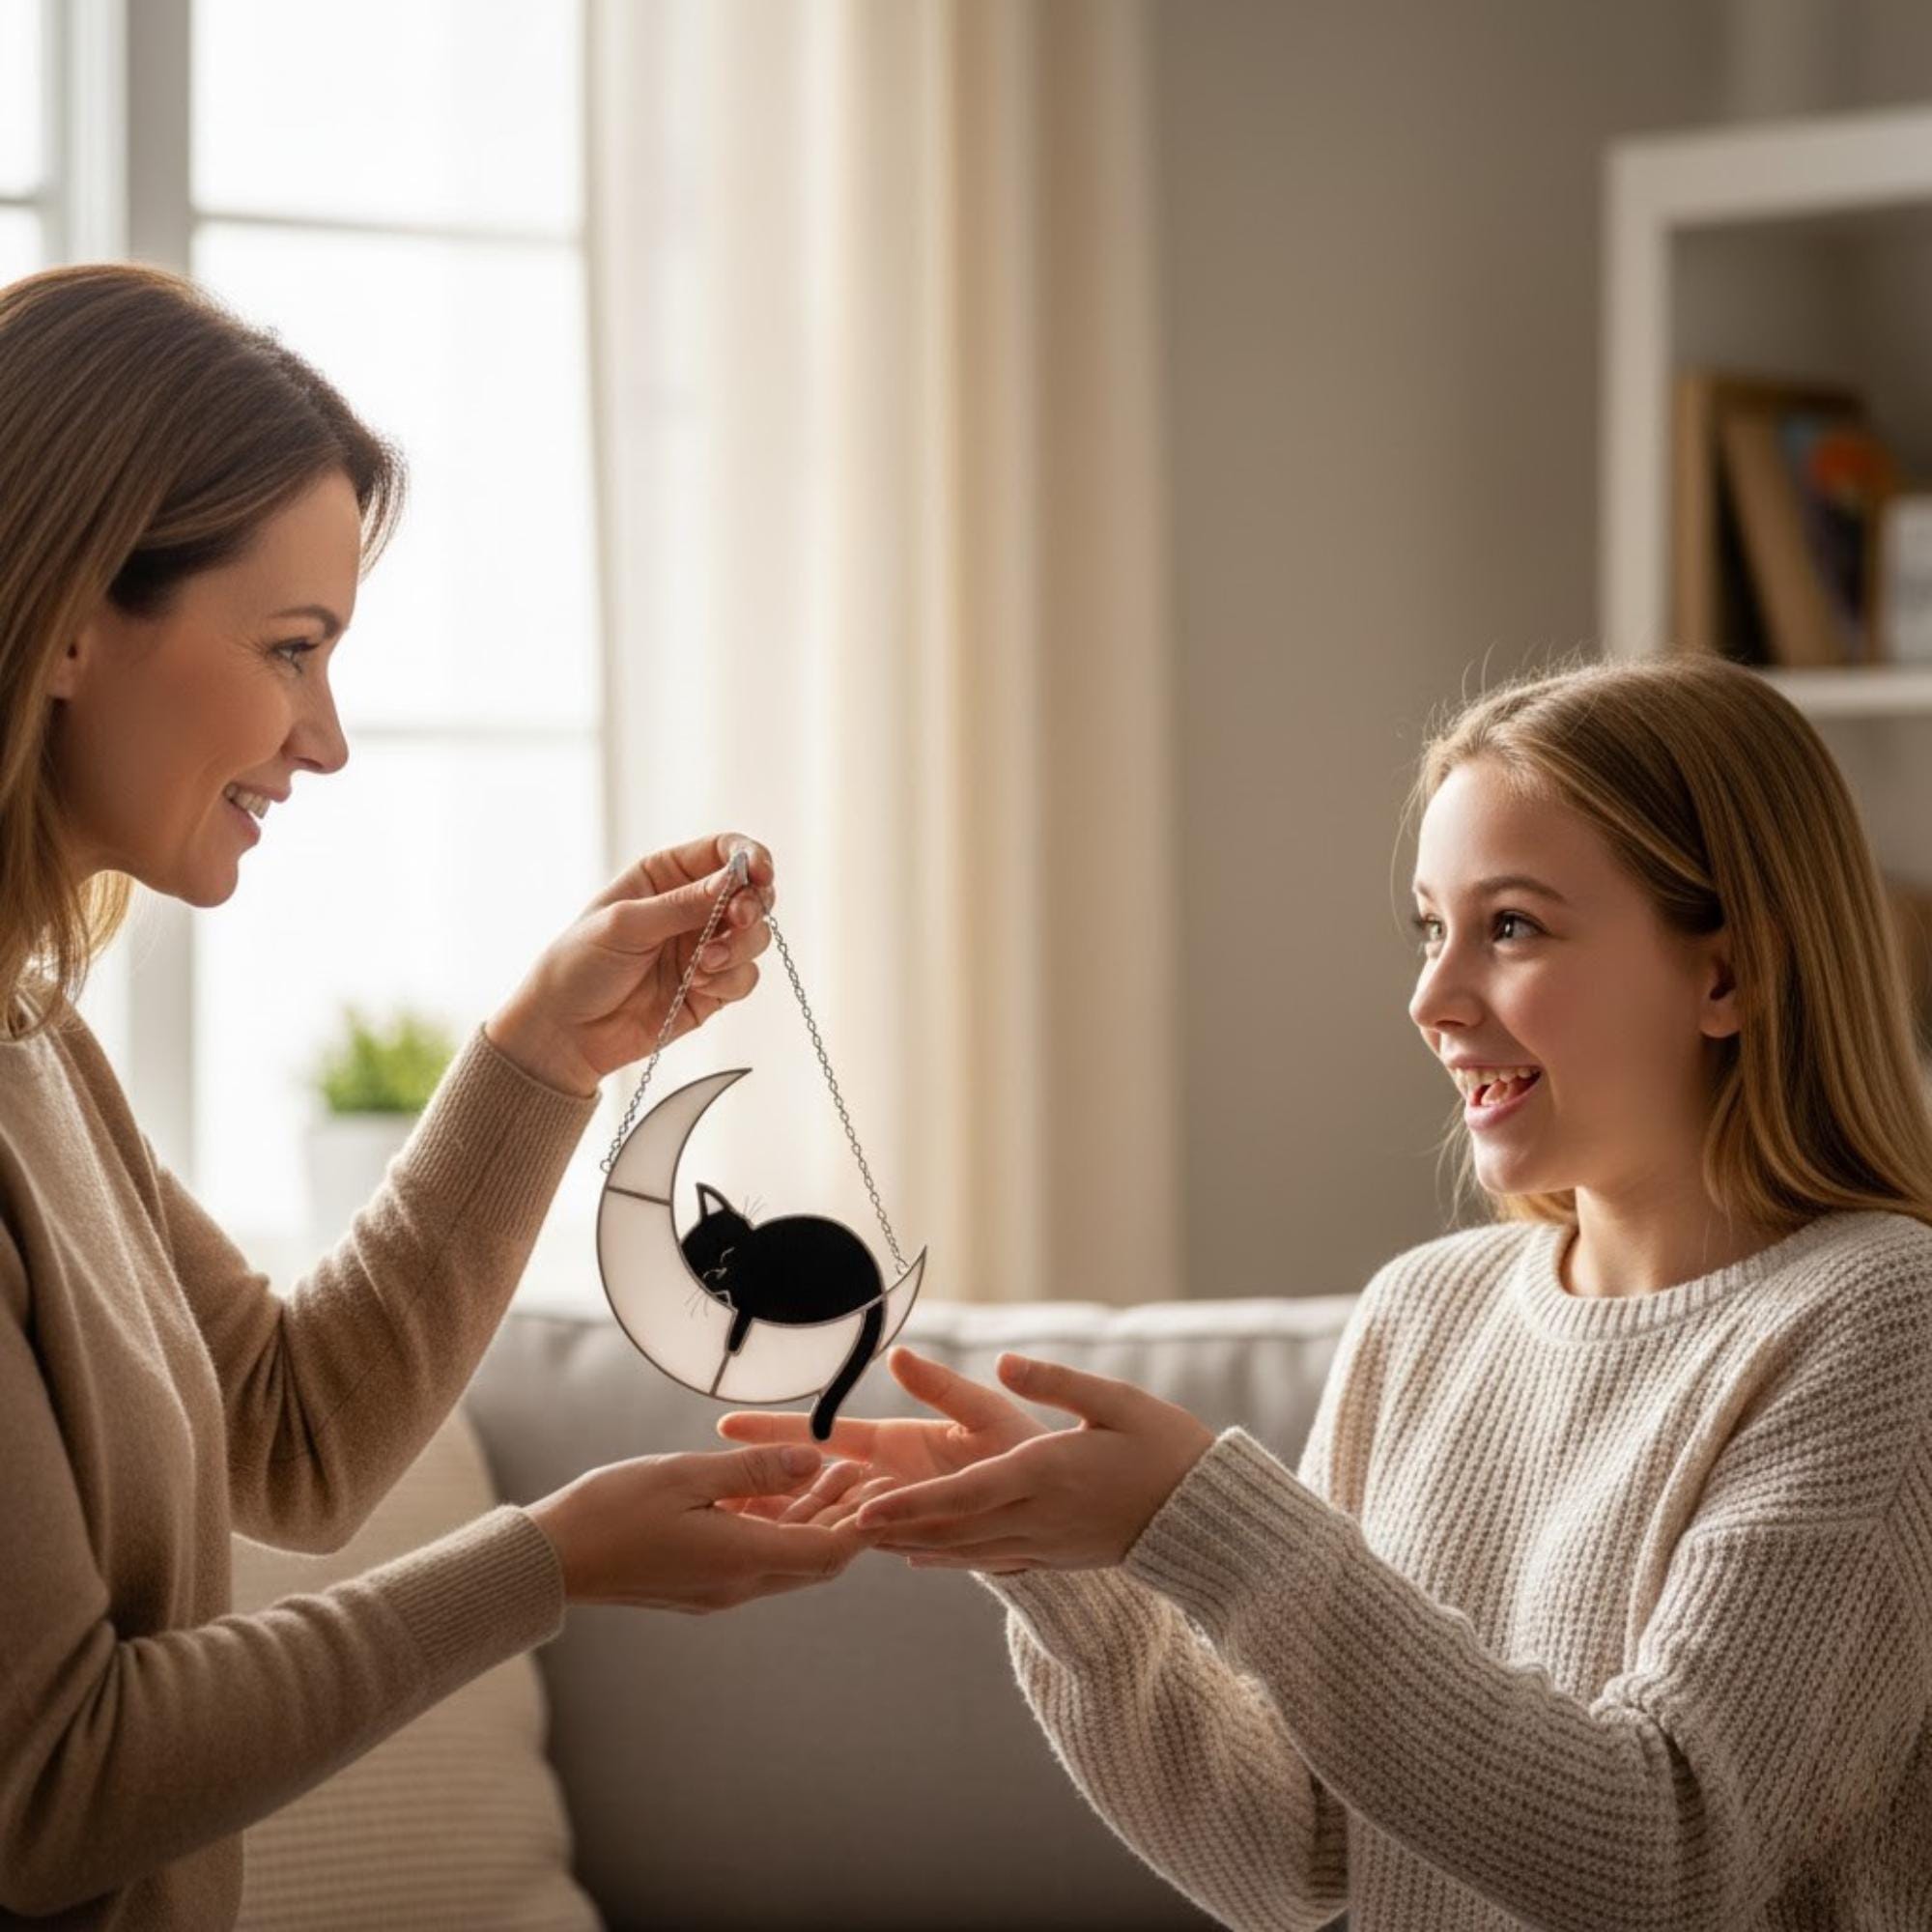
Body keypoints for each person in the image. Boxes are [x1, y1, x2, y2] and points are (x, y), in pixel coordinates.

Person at [726, 655, 1932, 1930]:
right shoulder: (1426, 1315)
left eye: (1511, 925)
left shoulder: (1878, 1320)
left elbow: (1667, 1855)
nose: (1432, 999)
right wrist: (1066, 1569)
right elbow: (1295, 1863)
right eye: (1432, 927)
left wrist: (1203, 1519)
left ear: (1727, 976)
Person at [0, 263, 871, 1930]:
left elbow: (296, 1430)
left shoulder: (38, 1048)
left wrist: (546, 1052)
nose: (323, 740)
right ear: (61, 620)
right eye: (288, 649)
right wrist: (554, 1564)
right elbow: (53, 1790)